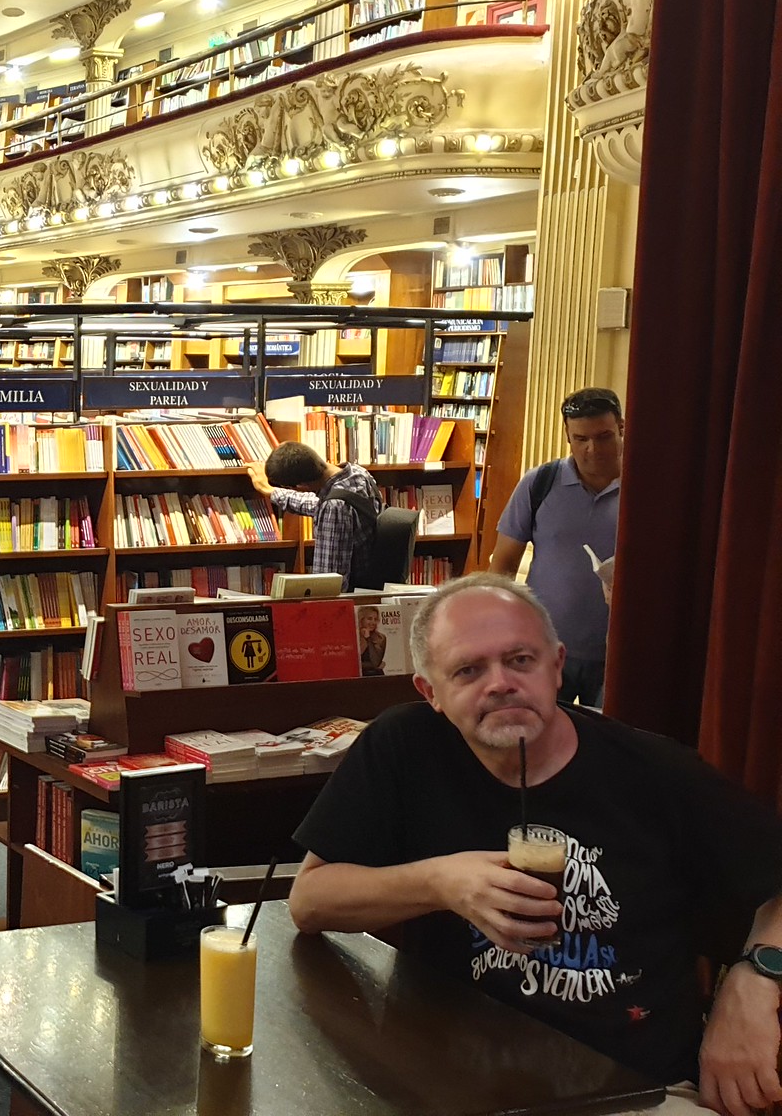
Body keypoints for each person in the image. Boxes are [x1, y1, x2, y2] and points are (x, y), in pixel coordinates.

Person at [288, 574, 782, 1116]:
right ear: (431, 693)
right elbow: (310, 901)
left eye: (520, 660)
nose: (500, 684)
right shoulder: (404, 747)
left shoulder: (655, 772)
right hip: (448, 1085)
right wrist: (440, 882)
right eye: (468, 670)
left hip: (633, 1092)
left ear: (557, 666)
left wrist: (755, 980)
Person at [489, 387, 623, 708]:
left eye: (604, 437)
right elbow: (503, 566)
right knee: (535, 729)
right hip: (542, 649)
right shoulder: (540, 483)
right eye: (581, 439)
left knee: (606, 735)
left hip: (617, 654)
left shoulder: (650, 488)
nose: (592, 449)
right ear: (567, 436)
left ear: (622, 428)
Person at [249, 440, 382, 590]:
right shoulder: (357, 474)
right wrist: (271, 491)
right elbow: (317, 504)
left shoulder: (334, 507)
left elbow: (328, 583)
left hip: (355, 597)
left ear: (301, 487)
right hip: (374, 585)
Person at [356, 604, 386, 676]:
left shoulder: (381, 638)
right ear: (361, 619)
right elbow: (352, 663)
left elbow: (375, 662)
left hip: (377, 676)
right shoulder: (354, 636)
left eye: (375, 619)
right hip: (358, 676)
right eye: (369, 619)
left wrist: (368, 639)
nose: (373, 622)